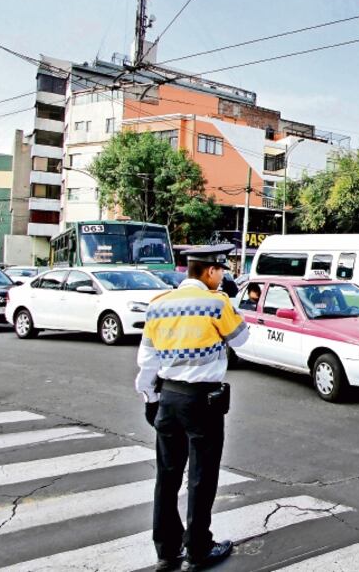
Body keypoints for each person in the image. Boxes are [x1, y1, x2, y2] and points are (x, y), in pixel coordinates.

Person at [135, 244, 249, 572]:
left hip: (167, 398)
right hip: (202, 402)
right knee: (201, 476)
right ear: (210, 271)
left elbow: (146, 361)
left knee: (167, 476)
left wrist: (150, 399)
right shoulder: (216, 304)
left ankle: (166, 551)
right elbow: (241, 339)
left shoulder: (158, 304)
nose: (224, 276)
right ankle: (197, 550)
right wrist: (229, 303)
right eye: (222, 271)